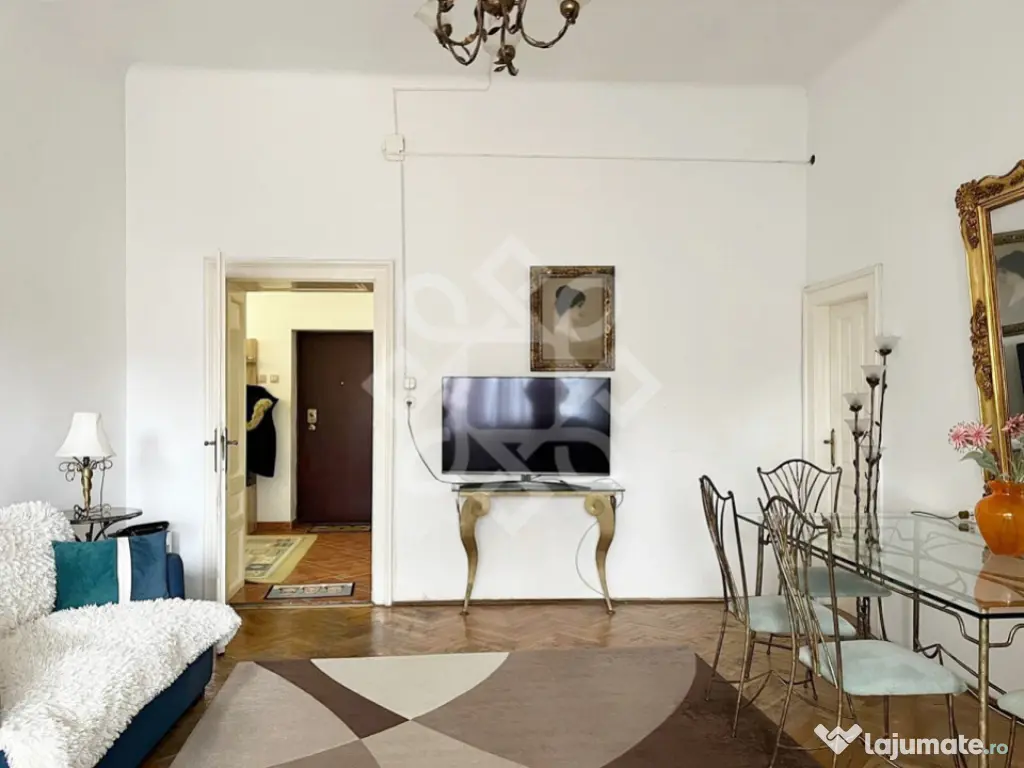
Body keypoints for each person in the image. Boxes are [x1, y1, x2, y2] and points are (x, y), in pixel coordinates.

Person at [549, 284, 586, 359]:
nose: (583, 310)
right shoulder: (561, 334)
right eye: (579, 306)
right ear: (568, 307)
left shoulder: (570, 331)